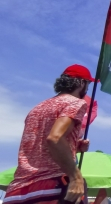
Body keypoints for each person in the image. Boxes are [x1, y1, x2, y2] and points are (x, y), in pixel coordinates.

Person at [4, 64, 94, 204]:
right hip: (51, 188)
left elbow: (37, 148)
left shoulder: (38, 107)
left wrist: (73, 146)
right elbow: (55, 139)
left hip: (17, 192)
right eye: (87, 84)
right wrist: (76, 177)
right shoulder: (76, 103)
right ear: (81, 83)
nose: (87, 89)